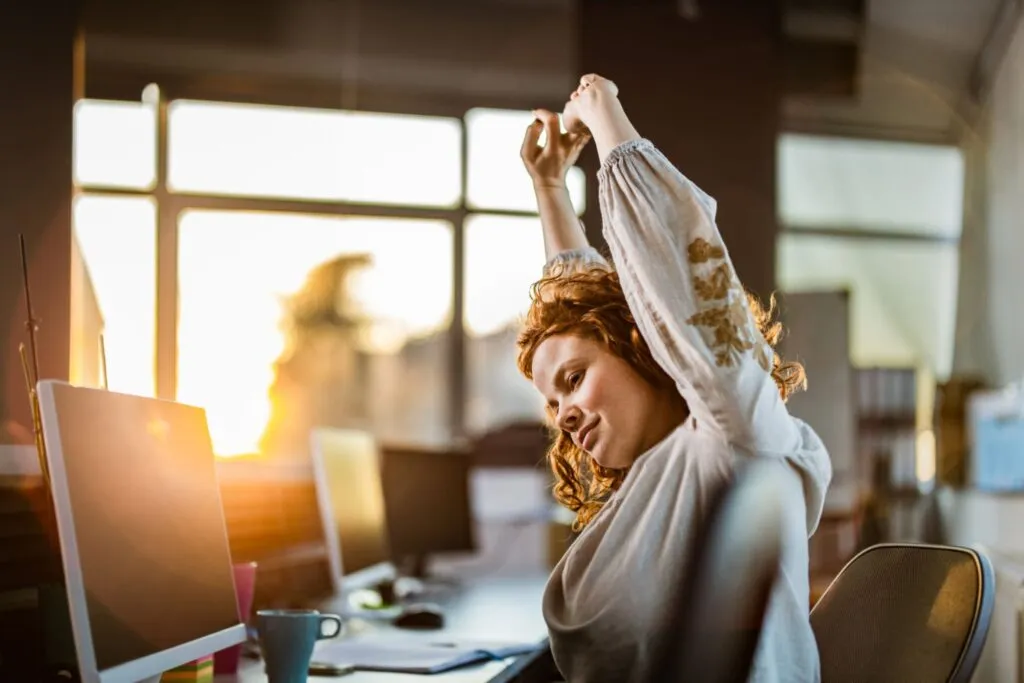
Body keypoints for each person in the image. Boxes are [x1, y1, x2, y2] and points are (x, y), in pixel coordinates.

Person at [517, 74, 832, 683]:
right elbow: (590, 301)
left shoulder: (733, 438)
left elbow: (672, 274)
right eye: (553, 403)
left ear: (643, 346)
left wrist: (604, 115)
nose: (564, 415)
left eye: (574, 381)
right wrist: (550, 187)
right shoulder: (657, 478)